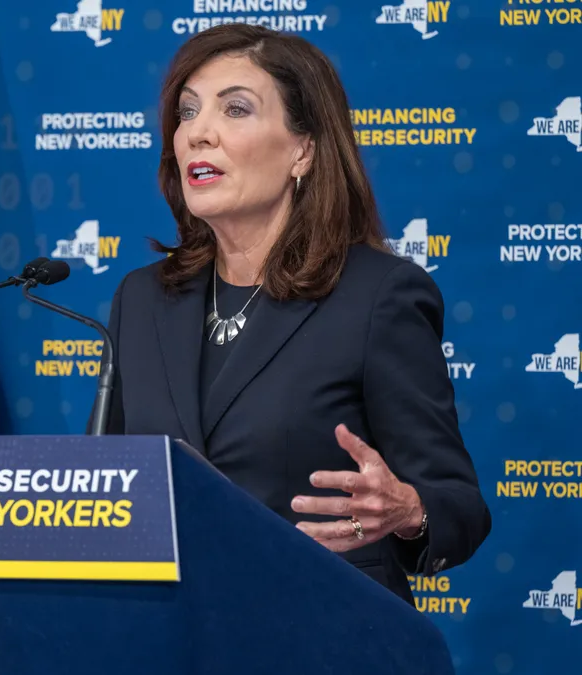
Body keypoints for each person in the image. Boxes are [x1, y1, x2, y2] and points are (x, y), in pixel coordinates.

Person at [99, 24, 490, 604]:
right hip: (173, 632)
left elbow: (458, 504)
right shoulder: (142, 297)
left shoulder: (377, 296)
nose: (197, 133)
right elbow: (106, 485)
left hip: (325, 628)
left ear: (303, 150)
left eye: (235, 109)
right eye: (187, 112)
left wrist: (409, 510)